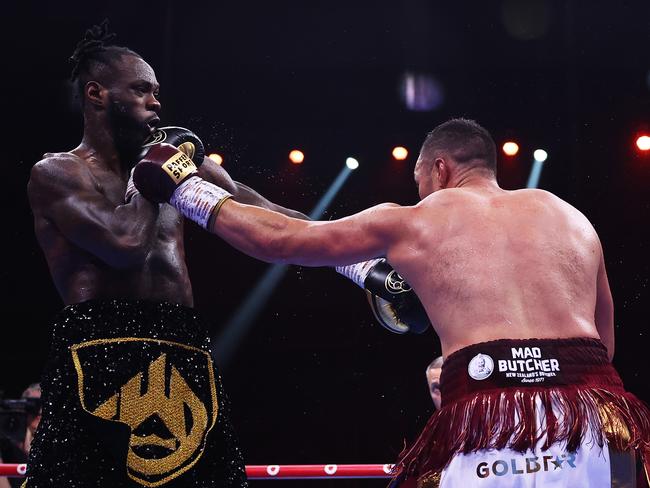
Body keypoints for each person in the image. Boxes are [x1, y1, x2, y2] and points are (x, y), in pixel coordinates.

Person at [134, 117, 650, 487]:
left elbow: (281, 240)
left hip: (491, 417)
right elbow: (603, 344)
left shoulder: (416, 219)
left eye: (420, 180)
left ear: (440, 168)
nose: (421, 191)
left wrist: (185, 188)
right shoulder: (572, 218)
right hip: (598, 420)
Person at [25, 20, 317, 488]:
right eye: (142, 89)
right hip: (100, 351)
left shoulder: (177, 163)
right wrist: (155, 172)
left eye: (157, 91)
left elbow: (262, 211)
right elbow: (124, 246)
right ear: (97, 94)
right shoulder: (58, 173)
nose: (156, 102)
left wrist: (364, 250)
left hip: (182, 345)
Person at [0, 384, 41, 488]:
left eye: (42, 406)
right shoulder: (6, 448)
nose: (38, 414)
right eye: (31, 409)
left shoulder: (59, 447)